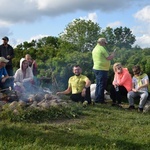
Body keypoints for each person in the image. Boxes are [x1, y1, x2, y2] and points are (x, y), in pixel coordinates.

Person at [92, 37, 115, 104]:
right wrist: (113, 54)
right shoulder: (102, 48)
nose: (105, 44)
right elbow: (109, 58)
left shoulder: (95, 48)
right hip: (102, 69)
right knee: (102, 84)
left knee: (98, 84)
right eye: (105, 43)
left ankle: (97, 98)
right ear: (101, 42)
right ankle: (100, 100)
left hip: (96, 68)